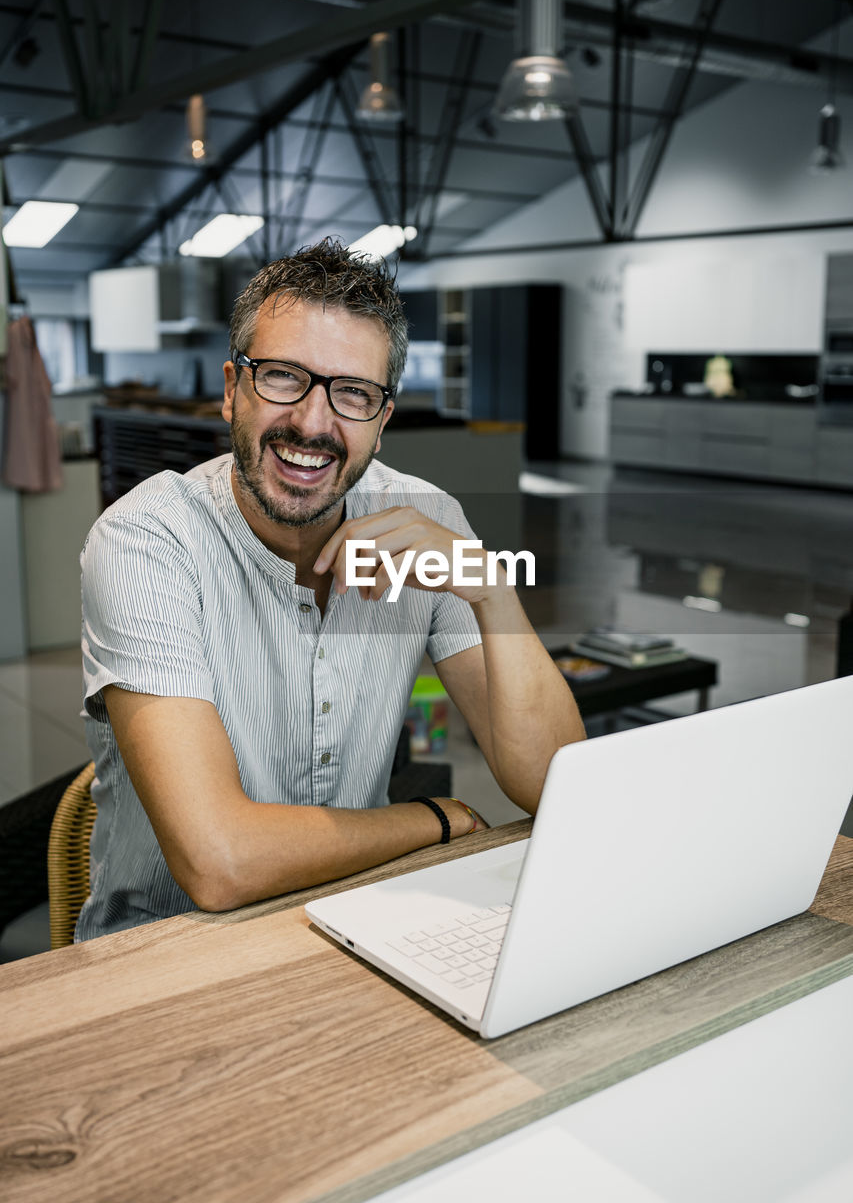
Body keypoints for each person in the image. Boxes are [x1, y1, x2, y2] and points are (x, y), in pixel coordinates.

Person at [77, 239, 585, 939]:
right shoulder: (147, 540)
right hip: (165, 948)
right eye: (282, 377)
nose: (314, 423)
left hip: (360, 923)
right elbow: (218, 862)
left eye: (352, 393)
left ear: (382, 420)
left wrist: (490, 589)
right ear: (232, 389)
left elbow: (550, 787)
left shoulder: (426, 522)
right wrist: (435, 818)